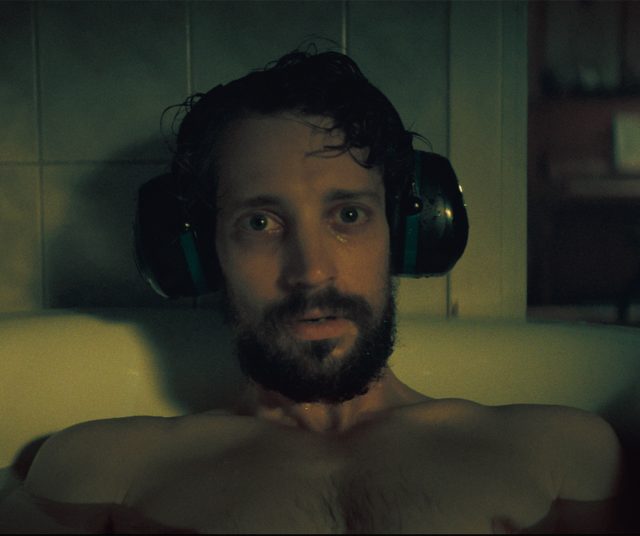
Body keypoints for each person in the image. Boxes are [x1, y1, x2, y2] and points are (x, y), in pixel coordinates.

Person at [0, 49, 631, 534]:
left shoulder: (558, 456)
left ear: (402, 234)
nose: (312, 271)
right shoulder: (104, 470)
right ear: (204, 253)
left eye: (348, 215)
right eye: (260, 223)